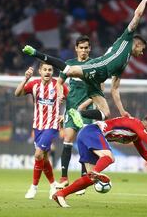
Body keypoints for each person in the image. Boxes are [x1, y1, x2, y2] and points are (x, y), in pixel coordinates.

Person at [22, 0, 147, 124]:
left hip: (97, 81)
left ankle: (77, 113)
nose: (142, 52)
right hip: (98, 66)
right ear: (137, 44)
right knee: (69, 70)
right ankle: (36, 53)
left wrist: (122, 111)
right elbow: (137, 15)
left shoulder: (124, 63)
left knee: (105, 113)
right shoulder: (127, 38)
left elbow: (115, 89)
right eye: (142, 49)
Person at [52, 115, 147, 208]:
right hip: (92, 131)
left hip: (85, 135)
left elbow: (144, 153)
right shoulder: (136, 123)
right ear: (146, 125)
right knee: (109, 157)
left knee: (91, 180)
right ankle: (95, 171)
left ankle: (61, 194)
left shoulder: (136, 134)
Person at [14, 63, 69, 199]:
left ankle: (33, 187)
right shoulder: (34, 84)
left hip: (51, 126)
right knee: (44, 158)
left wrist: (65, 114)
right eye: (45, 69)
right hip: (38, 126)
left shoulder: (59, 85)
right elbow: (17, 93)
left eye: (50, 70)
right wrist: (25, 78)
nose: (47, 72)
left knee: (38, 154)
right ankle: (53, 186)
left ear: (52, 72)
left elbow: (73, 101)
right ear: (40, 71)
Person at [57, 35, 95, 195]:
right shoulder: (69, 64)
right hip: (71, 110)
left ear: (90, 49)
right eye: (81, 47)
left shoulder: (94, 65)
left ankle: (83, 179)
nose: (84, 50)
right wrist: (60, 94)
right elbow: (59, 83)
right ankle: (64, 178)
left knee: (84, 143)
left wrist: (83, 106)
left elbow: (98, 91)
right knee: (67, 141)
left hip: (86, 111)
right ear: (76, 49)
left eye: (86, 47)